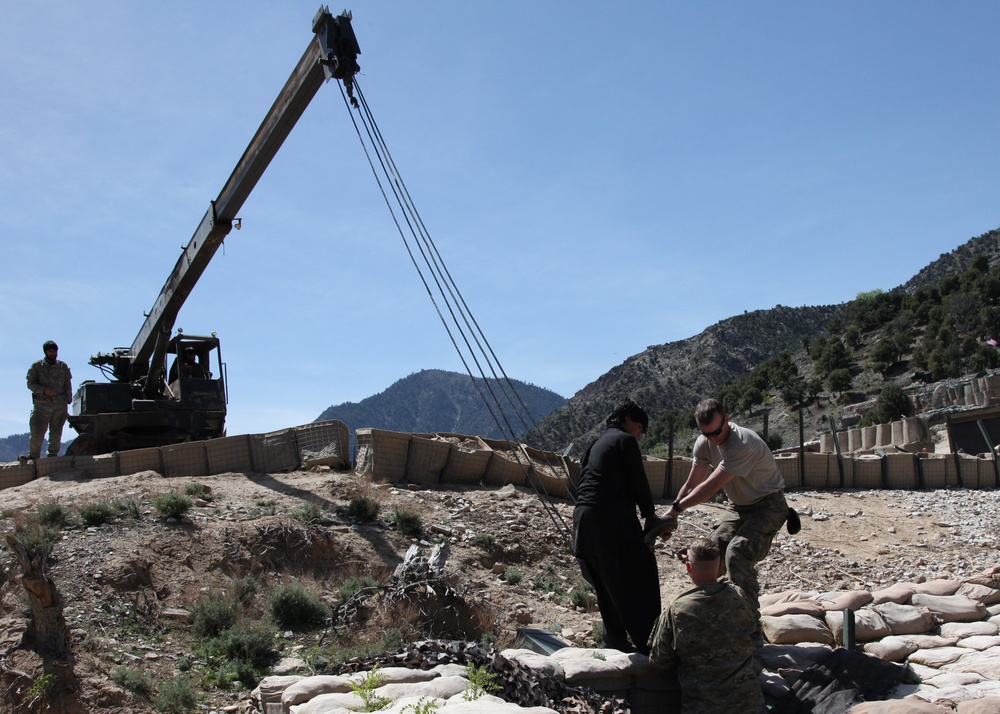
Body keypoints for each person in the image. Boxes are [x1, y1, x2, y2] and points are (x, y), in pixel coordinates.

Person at [665, 397, 787, 640]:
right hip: (738, 507)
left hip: (768, 506)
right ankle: (709, 612)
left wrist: (677, 509)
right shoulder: (704, 443)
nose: (712, 439)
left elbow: (710, 487)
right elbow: (692, 483)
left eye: (716, 432)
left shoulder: (742, 443)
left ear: (727, 420)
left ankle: (750, 626)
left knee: (736, 553)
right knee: (705, 554)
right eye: (705, 434)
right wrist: (670, 516)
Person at [573, 398, 663, 654]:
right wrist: (650, 516)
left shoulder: (594, 444)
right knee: (640, 573)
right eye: (640, 427)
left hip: (583, 522)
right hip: (608, 521)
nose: (640, 433)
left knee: (607, 583)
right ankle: (649, 642)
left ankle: (614, 641)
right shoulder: (625, 441)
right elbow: (639, 482)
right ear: (627, 421)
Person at [648, 538, 765, 714]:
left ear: (688, 567)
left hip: (704, 706)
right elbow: (755, 634)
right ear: (719, 568)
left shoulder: (677, 609)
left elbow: (659, 661)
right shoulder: (738, 595)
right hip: (749, 703)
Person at [24, 340, 73, 460]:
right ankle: (33, 456)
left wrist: (68, 398)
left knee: (56, 432)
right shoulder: (36, 367)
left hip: (59, 405)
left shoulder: (63, 367)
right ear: (45, 352)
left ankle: (52, 456)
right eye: (50, 351)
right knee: (37, 430)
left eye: (55, 351)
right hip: (42, 405)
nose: (53, 353)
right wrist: (44, 390)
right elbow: (30, 384)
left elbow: (67, 384)